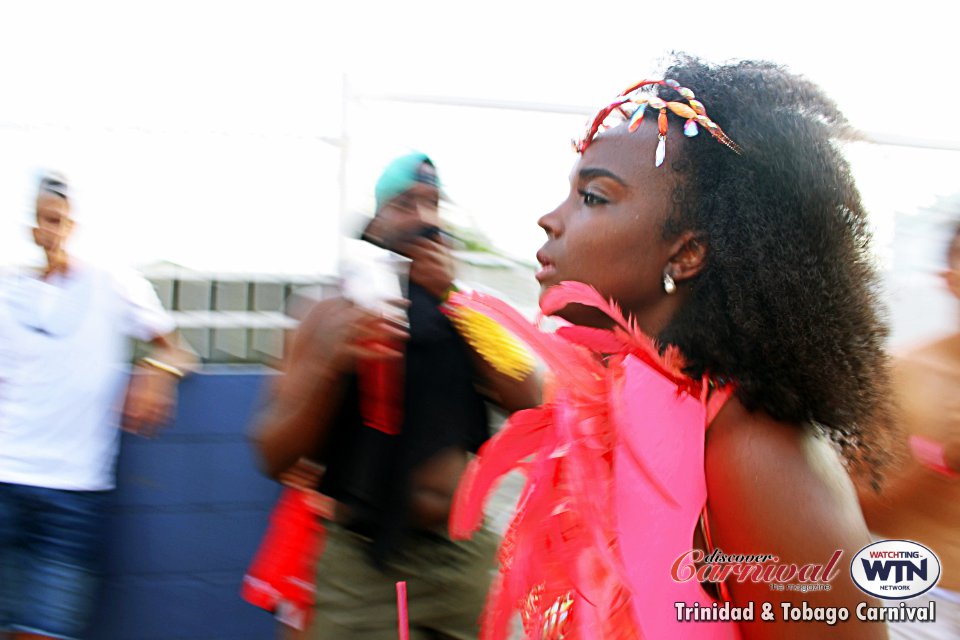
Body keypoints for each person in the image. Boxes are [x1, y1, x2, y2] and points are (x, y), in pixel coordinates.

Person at [447, 56, 893, 639]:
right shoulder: (627, 401)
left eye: (594, 198)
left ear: (686, 253)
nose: (549, 220)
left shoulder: (751, 449)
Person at [251, 152, 540, 639]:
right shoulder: (326, 312)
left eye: (433, 203)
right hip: (361, 568)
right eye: (406, 204)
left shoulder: (465, 310)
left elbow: (531, 401)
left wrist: (451, 298)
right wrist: (330, 361)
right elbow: (271, 453)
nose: (424, 218)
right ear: (377, 221)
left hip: (459, 558)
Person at [0, 172, 195, 640]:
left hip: (74, 492)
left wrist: (157, 375)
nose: (53, 230)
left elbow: (178, 349)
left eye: (61, 220)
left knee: (47, 631)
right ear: (31, 229)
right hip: (5, 481)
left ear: (74, 224)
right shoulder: (9, 291)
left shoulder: (113, 283)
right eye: (44, 220)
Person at [858, 220, 960, 638]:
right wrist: (941, 465)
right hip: (922, 607)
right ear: (950, 278)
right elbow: (852, 503)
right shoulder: (901, 374)